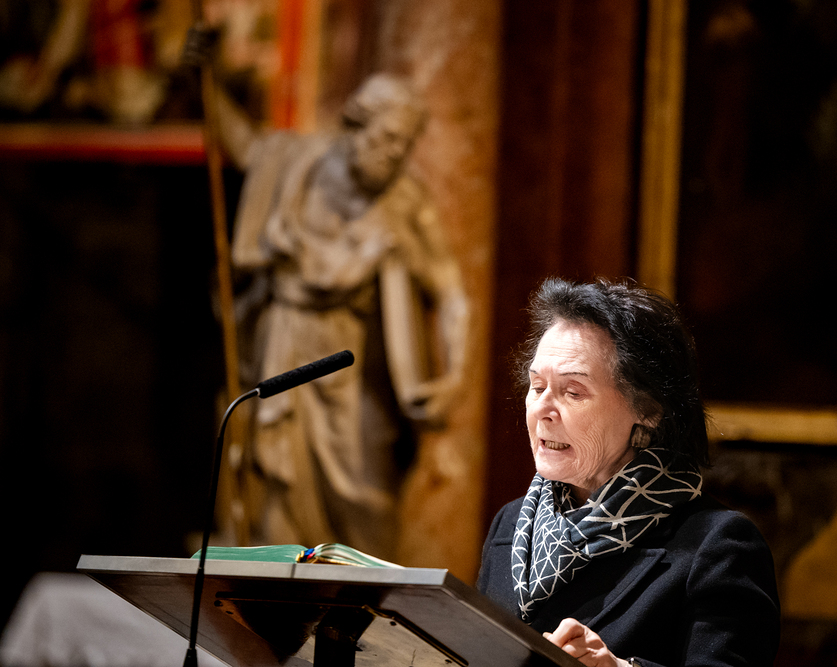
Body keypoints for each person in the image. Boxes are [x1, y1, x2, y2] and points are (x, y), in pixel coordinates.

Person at [213, 70, 468, 558]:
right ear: (356, 125)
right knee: (276, 480)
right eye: (387, 137)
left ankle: (361, 594)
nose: (395, 153)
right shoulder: (295, 162)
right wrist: (208, 78)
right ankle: (276, 591)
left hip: (351, 360)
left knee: (365, 493)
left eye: (406, 145)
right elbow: (244, 147)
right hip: (284, 339)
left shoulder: (405, 201)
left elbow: (452, 291)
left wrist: (455, 376)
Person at [477, 277, 780, 667]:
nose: (542, 411)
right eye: (537, 387)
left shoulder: (719, 545)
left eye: (573, 392)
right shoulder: (512, 524)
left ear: (649, 409)